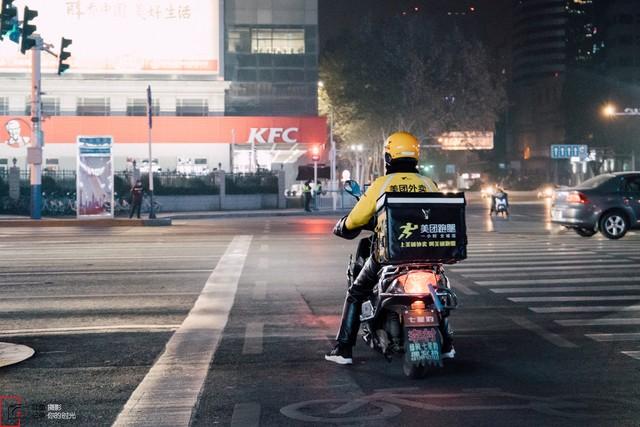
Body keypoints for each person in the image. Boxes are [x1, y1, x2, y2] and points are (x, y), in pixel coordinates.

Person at [325, 131, 455, 365]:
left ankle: (343, 349)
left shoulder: (381, 184)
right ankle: (447, 345)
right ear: (416, 157)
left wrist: (343, 225)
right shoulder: (428, 183)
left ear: (387, 158)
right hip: (427, 256)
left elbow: (355, 220)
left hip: (389, 256)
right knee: (438, 289)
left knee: (356, 293)